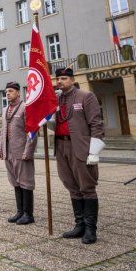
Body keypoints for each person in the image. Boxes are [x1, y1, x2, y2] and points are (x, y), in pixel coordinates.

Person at [54, 67, 104, 244]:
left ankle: (91, 229)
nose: (59, 82)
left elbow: (96, 124)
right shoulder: (56, 99)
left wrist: (94, 150)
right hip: (61, 145)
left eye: (63, 79)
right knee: (72, 185)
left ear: (72, 80)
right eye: (58, 79)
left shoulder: (86, 96)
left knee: (87, 187)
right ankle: (79, 225)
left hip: (80, 147)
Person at [0, 82, 37, 224]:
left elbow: (32, 131)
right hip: (9, 152)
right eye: (6, 91)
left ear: (18, 93)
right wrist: (1, 149)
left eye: (11, 91)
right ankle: (20, 211)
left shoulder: (25, 108)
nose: (8, 93)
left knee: (25, 182)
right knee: (15, 181)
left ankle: (28, 213)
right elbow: (3, 131)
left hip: (21, 151)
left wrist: (28, 151)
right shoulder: (5, 109)